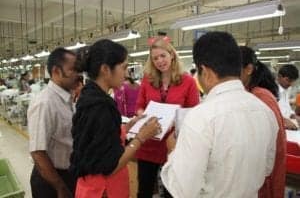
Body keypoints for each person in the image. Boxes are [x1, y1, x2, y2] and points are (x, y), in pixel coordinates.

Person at [161, 31, 278, 198]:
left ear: (205, 71)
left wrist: (173, 151)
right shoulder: (265, 111)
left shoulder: (201, 117)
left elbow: (182, 190)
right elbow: (267, 168)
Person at [69, 39, 160, 198]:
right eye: (123, 67)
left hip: (89, 187)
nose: (126, 74)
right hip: (104, 191)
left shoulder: (89, 97)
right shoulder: (101, 106)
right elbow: (111, 165)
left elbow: (100, 139)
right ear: (105, 69)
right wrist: (141, 137)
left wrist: (128, 126)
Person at [135, 38, 200, 198]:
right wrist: (141, 114)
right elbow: (139, 106)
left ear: (172, 55)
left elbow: (192, 113)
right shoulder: (147, 80)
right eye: (155, 58)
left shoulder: (188, 82)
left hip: (173, 147)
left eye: (163, 56)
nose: (160, 61)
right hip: (148, 143)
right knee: (145, 190)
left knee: (172, 192)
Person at [28, 47, 79, 198]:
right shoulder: (45, 103)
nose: (78, 74)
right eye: (73, 70)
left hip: (67, 174)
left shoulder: (67, 99)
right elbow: (37, 152)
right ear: (56, 71)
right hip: (50, 180)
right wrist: (60, 188)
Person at [240, 46, 286, 198]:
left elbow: (267, 147)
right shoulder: (250, 93)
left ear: (248, 69)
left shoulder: (260, 97)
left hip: (262, 179)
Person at [277, 64, 299, 130]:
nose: (290, 84)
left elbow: (286, 109)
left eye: (292, 81)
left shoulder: (287, 89)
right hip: (279, 127)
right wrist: (284, 120)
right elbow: (270, 115)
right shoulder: (272, 91)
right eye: (288, 80)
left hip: (287, 127)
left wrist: (293, 116)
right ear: (279, 76)